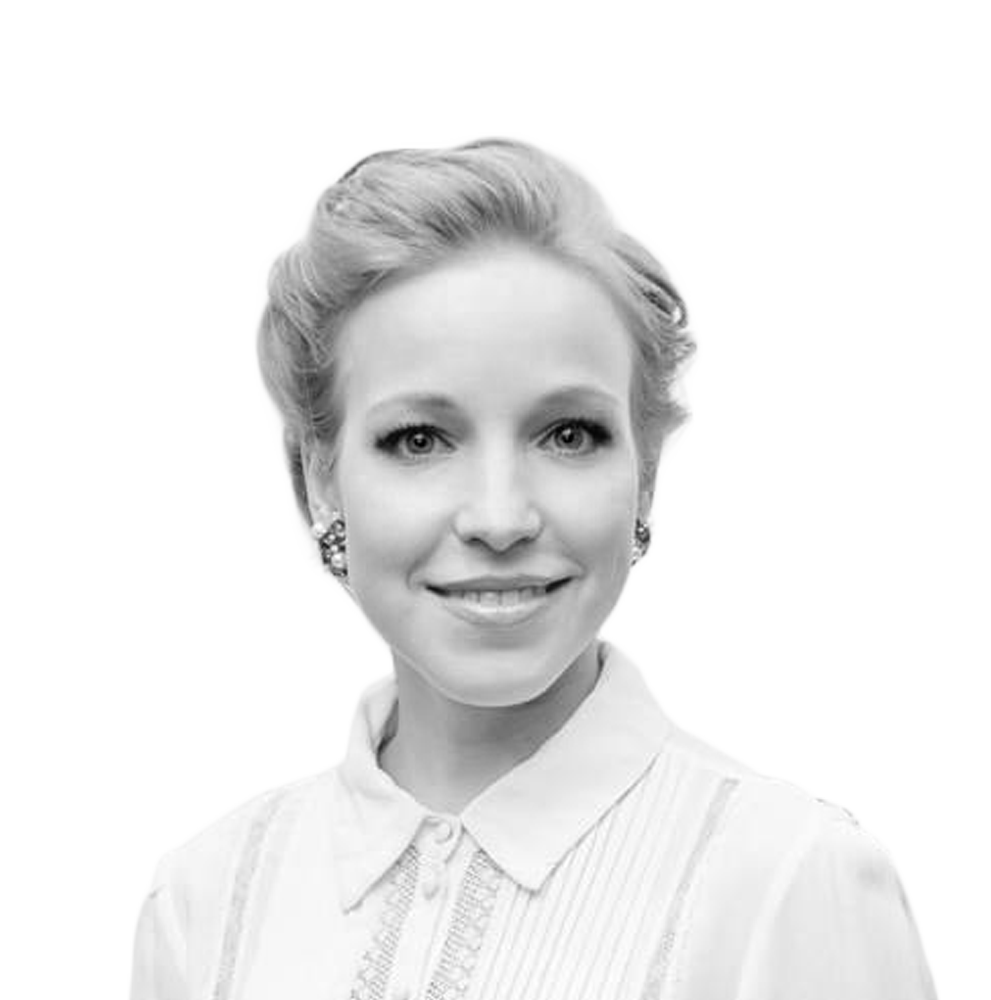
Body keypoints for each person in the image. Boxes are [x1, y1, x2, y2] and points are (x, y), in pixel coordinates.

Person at [133, 136, 936, 999]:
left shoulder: (789, 883)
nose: (500, 518)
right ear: (317, 478)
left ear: (647, 472)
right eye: (419, 439)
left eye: (569, 435)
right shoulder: (206, 902)